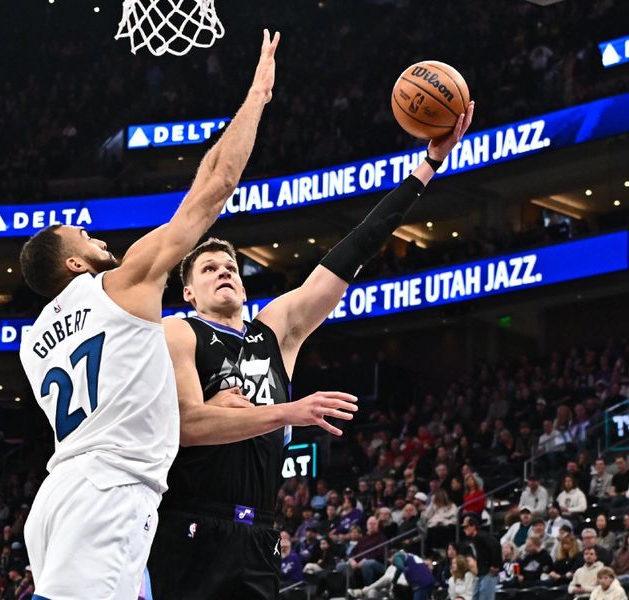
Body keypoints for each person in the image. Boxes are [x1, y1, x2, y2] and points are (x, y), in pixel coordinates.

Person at [148, 96, 476, 600]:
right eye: (209, 270)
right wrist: (287, 411)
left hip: (261, 530)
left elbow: (356, 247)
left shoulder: (273, 330)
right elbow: (190, 427)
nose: (224, 273)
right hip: (193, 523)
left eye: (231, 268)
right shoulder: (179, 331)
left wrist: (429, 165)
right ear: (188, 292)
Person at [17, 29, 281, 600]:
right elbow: (215, 187)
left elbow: (122, 386)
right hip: (111, 493)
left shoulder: (34, 342)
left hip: (63, 493)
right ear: (71, 261)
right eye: (82, 235)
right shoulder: (121, 285)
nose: (94, 237)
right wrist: (256, 97)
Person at [461, 515, 500, 600]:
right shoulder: (476, 538)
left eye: (466, 526)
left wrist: (495, 565)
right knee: (476, 596)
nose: (464, 529)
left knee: (485, 597)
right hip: (482, 572)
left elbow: (495, 546)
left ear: (473, 526)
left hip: (489, 572)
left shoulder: (482, 536)